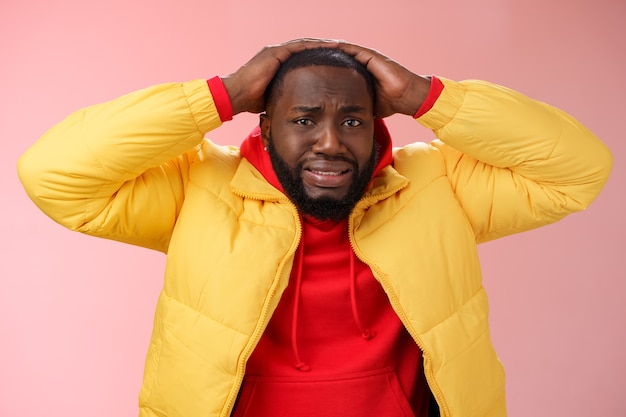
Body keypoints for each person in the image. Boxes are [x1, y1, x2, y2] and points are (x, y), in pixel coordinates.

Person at [17, 38, 612, 417]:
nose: (330, 142)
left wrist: (424, 96)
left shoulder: (434, 186)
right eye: (304, 119)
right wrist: (218, 97)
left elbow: (578, 170)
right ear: (266, 122)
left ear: (378, 122)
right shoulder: (198, 186)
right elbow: (53, 175)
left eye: (352, 120)